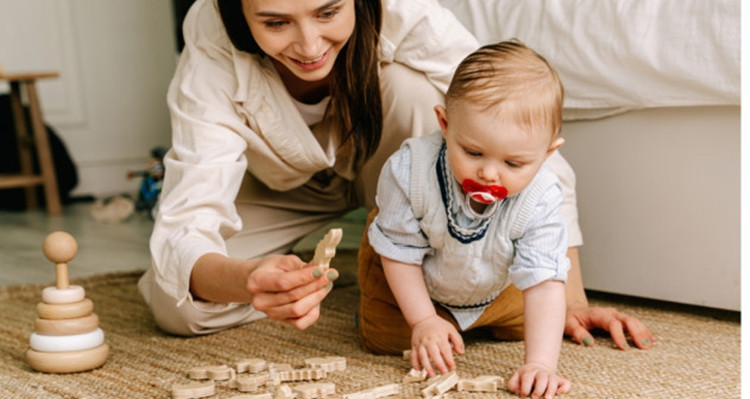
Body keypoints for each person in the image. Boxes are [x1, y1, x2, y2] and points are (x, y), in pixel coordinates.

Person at [138, 0, 655, 352]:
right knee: (181, 308)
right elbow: (185, 226)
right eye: (276, 22)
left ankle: (425, 281)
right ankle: (369, 269)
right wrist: (247, 281)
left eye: (328, 11)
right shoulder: (210, 46)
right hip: (277, 187)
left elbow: (519, 136)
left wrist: (572, 300)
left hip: (394, 166)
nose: (309, 45)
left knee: (414, 90)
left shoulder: (403, 11)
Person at [359, 40, 576, 397]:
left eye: (513, 163)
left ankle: (474, 323)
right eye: (473, 152)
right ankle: (426, 318)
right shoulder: (409, 169)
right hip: (409, 273)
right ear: (445, 123)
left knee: (537, 321)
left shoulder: (543, 195)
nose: (490, 173)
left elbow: (544, 280)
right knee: (384, 338)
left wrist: (541, 365)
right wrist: (424, 320)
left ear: (547, 153)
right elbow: (399, 251)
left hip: (493, 284)